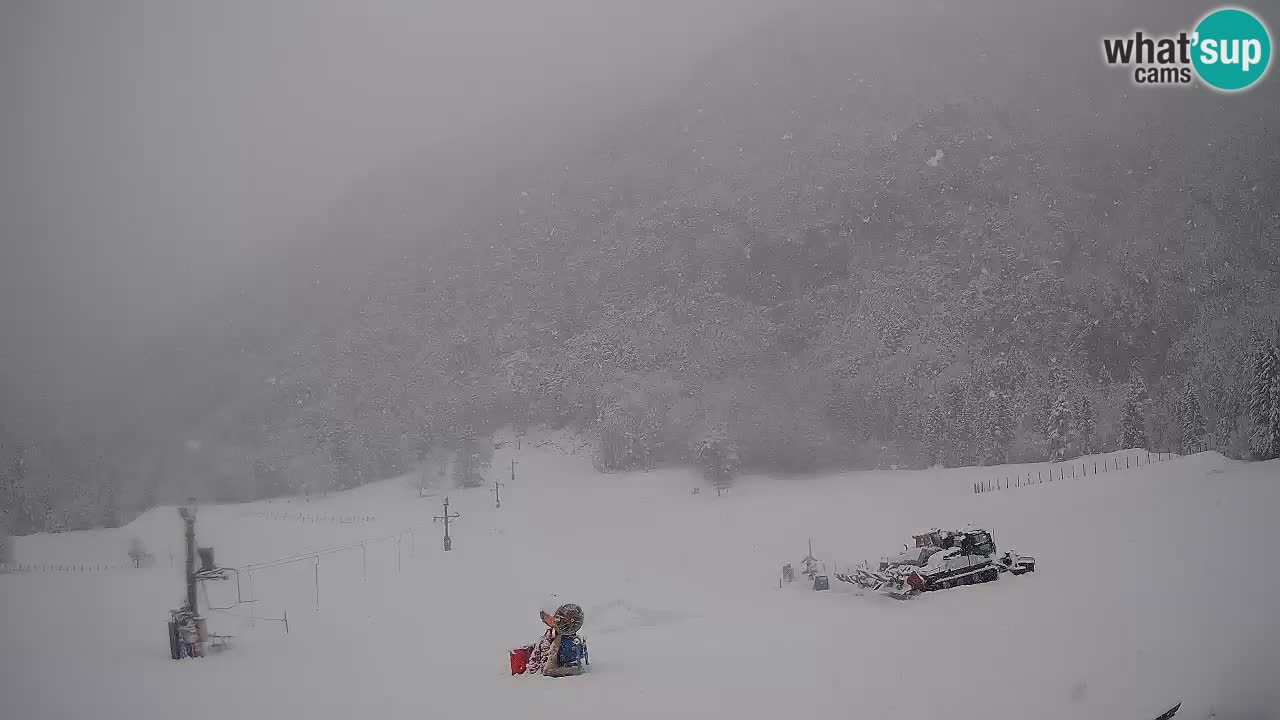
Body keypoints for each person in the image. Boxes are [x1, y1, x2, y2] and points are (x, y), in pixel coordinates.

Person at [524, 603, 587, 677]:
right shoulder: (552, 634)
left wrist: (575, 670)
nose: (549, 620)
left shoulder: (558, 639)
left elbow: (548, 670)